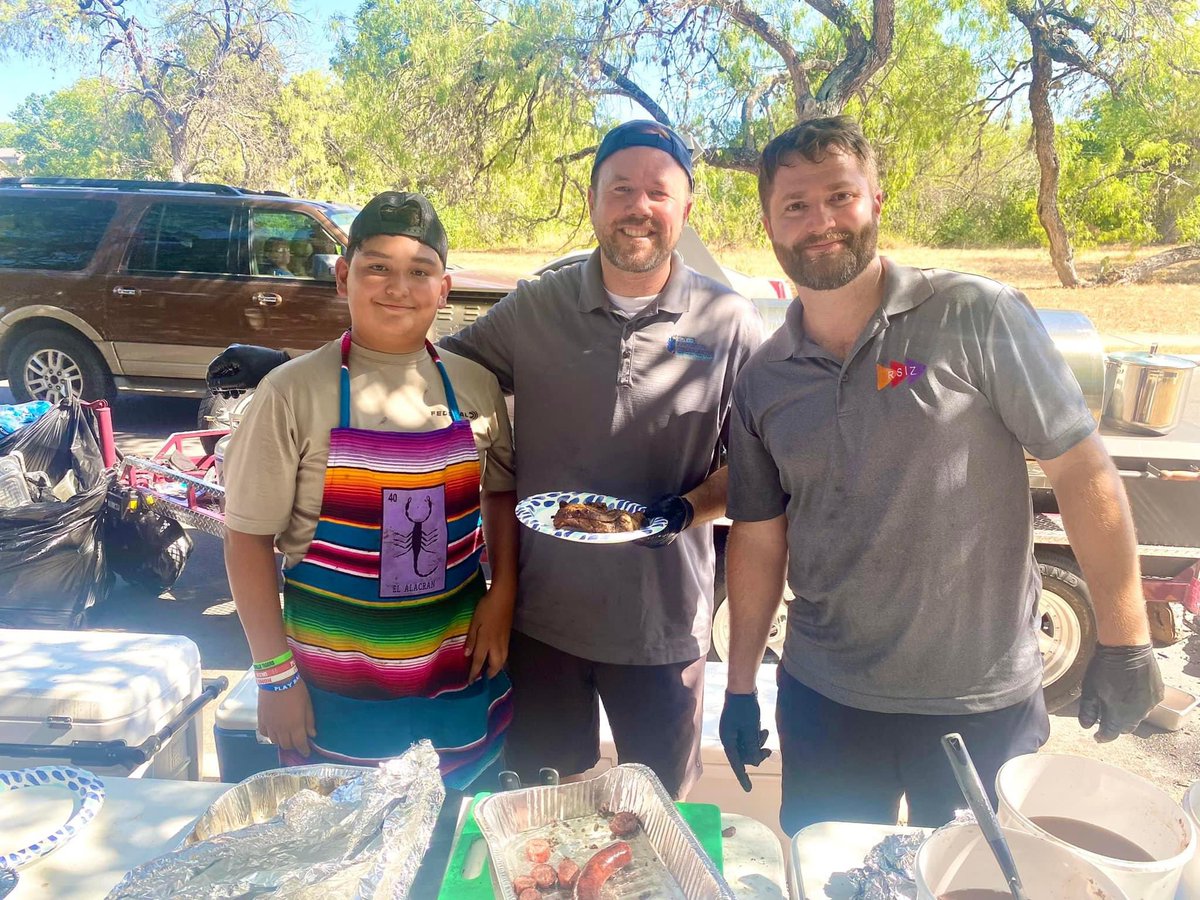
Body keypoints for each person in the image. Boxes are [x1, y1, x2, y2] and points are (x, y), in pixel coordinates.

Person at [208, 120, 763, 798]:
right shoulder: (534, 307)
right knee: (526, 807)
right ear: (591, 200)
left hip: (651, 627)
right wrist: (275, 671)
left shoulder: (730, 323)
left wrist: (685, 511)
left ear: (686, 206)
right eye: (620, 188)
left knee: (652, 808)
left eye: (658, 191)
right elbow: (405, 358)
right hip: (525, 633)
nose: (638, 207)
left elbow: (761, 470)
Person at [718, 116, 1164, 833]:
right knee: (833, 879)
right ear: (769, 221)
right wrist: (740, 687)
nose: (820, 221)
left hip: (978, 707)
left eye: (840, 196)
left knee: (979, 882)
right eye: (795, 205)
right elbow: (760, 537)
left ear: (877, 200)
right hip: (825, 699)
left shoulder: (975, 314)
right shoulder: (764, 378)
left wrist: (1126, 638)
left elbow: (1084, 472)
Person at [221, 191, 519, 790]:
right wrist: (276, 678)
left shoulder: (476, 386)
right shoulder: (290, 393)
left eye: (419, 272)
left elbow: (500, 496)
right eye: (377, 266)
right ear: (342, 276)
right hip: (336, 695)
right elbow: (246, 539)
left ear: (445, 287)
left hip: (457, 681)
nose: (397, 287)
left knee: (455, 854)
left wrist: (503, 592)